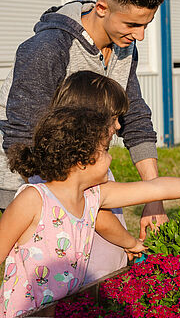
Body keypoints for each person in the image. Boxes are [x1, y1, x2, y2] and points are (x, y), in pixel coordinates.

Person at [0, 106, 180, 317]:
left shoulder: (92, 196)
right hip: (23, 313)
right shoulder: (33, 199)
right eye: (105, 150)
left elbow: (155, 188)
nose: (110, 157)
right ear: (81, 160)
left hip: (64, 310)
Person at [0, 0, 167, 238]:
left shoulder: (124, 46)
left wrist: (155, 198)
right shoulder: (49, 47)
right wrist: (64, 198)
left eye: (145, 25)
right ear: (102, 8)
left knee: (104, 270)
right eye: (131, 24)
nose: (139, 35)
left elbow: (134, 117)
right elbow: (22, 133)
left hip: (87, 180)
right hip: (33, 187)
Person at [49, 70, 138, 283]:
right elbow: (101, 219)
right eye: (114, 118)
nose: (118, 127)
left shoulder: (57, 162)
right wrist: (131, 243)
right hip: (93, 278)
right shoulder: (83, 169)